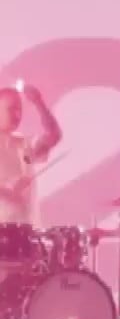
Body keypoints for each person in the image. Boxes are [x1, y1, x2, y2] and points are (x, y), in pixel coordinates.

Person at [0, 84, 62, 226]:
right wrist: (6, 190)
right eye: (11, 109)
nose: (17, 115)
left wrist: (38, 102)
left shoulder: (23, 145)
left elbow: (53, 135)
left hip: (24, 229)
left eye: (19, 109)